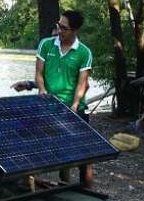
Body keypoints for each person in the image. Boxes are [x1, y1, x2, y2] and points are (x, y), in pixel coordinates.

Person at [21, 10, 95, 188]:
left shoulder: (84, 53)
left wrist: (75, 105)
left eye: (64, 27)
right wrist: (42, 89)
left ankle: (87, 188)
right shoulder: (46, 45)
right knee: (32, 143)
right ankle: (43, 184)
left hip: (73, 107)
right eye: (58, 25)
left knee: (85, 152)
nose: (59, 30)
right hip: (47, 105)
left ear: (74, 30)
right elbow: (39, 74)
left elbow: (82, 84)